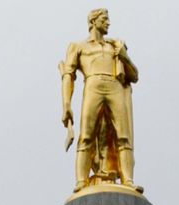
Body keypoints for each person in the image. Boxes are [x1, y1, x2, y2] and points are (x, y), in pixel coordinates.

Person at [59, 8, 141, 193]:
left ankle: (128, 180)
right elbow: (68, 75)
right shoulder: (79, 47)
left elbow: (134, 76)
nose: (108, 23)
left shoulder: (115, 46)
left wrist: (124, 57)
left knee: (123, 135)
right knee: (86, 135)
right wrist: (66, 105)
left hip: (115, 87)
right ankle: (81, 181)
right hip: (93, 84)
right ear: (93, 22)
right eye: (104, 19)